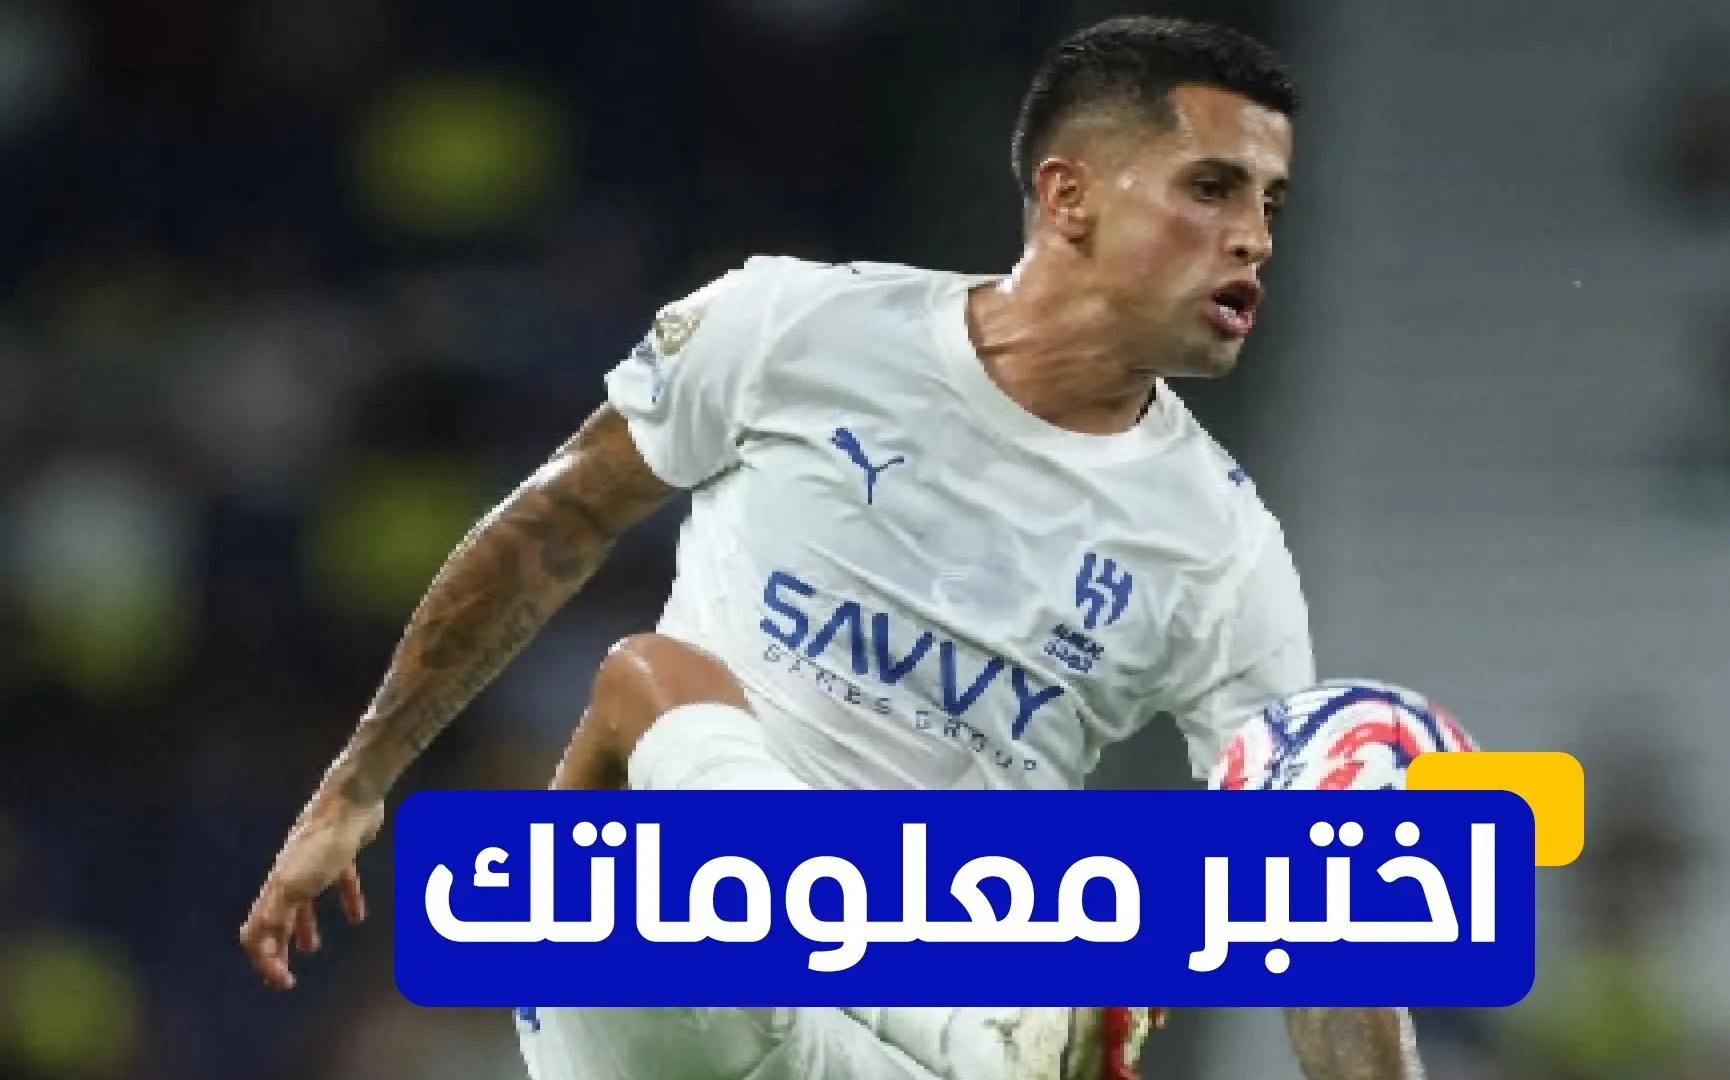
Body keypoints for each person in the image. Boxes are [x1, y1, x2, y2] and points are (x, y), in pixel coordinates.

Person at [239, 15, 1426, 1080]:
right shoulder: (796, 325)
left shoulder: (1221, 549)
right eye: (1212, 188)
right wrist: (355, 783)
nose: (1252, 238)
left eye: (1273, 205)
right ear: (1068, 198)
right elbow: (555, 520)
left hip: (888, 1036)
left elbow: (1311, 906)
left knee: (647, 686)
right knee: (649, 689)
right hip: (693, 989)